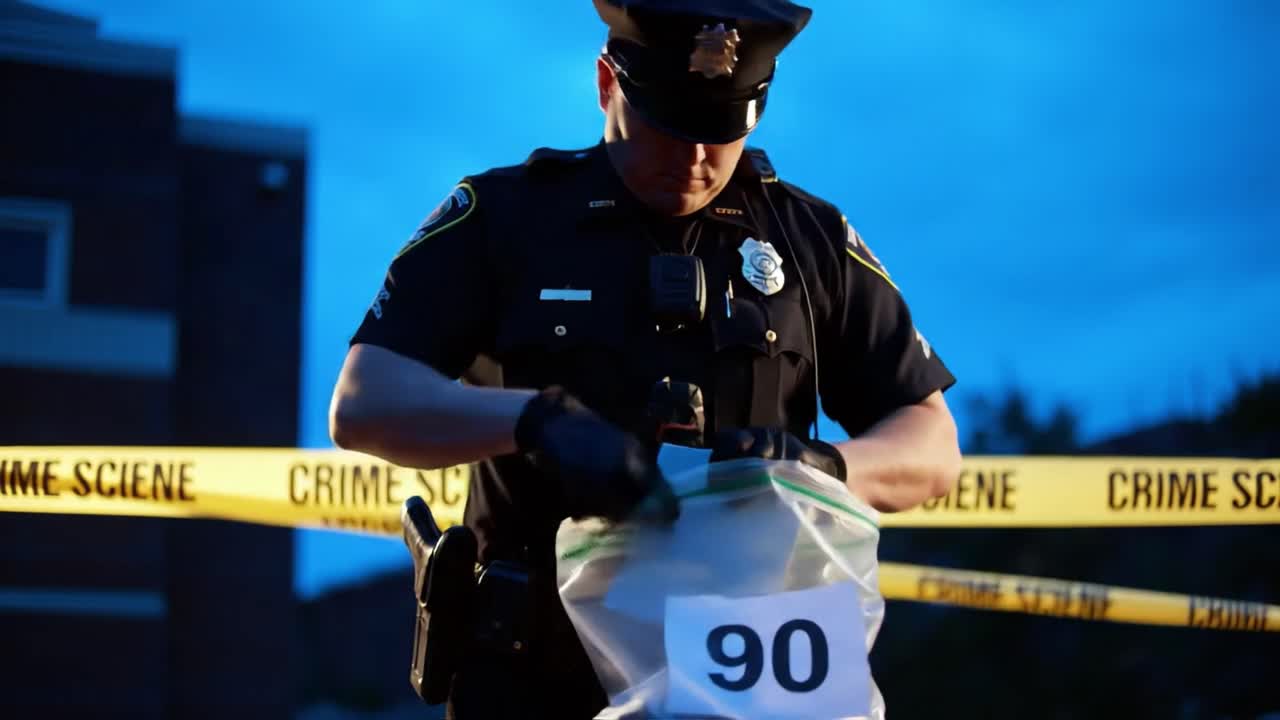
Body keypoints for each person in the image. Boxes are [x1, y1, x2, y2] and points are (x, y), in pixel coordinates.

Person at [330, 0, 963, 716]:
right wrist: (535, 422)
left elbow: (933, 445)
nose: (694, 159)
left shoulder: (806, 238)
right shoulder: (506, 217)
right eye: (667, 127)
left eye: (720, 132)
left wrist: (823, 468)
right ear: (607, 83)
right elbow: (363, 402)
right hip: (535, 674)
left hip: (745, 681)